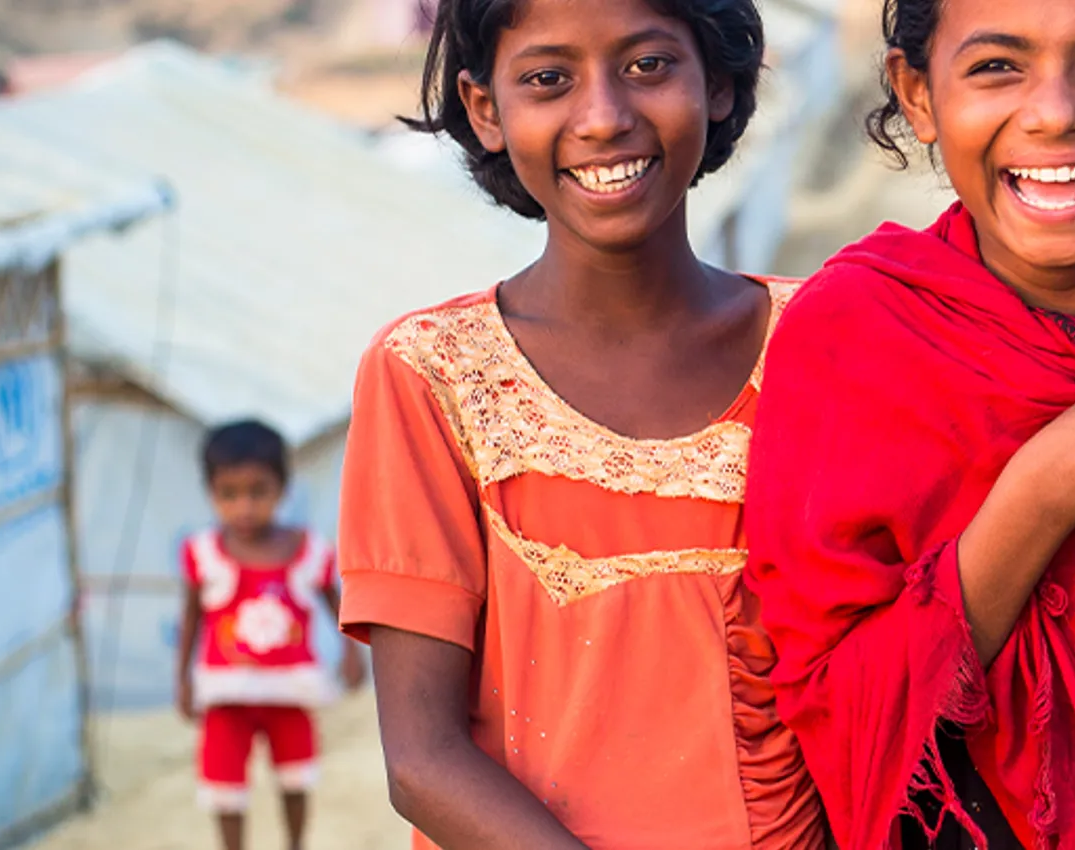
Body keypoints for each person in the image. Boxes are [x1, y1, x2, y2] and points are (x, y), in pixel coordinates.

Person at [740, 0, 1075, 846]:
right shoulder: (856, 334)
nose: (1055, 111)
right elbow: (838, 706)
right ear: (917, 94)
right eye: (995, 68)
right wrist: (1055, 484)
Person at [334, 0, 827, 846]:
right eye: (548, 80)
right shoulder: (434, 376)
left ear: (715, 81)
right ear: (486, 109)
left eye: (647, 66)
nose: (603, 117)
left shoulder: (826, 345)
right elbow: (422, 758)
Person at [177, 419, 366, 850]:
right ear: (211, 492)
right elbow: (190, 618)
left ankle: (296, 844)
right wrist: (183, 678)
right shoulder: (202, 554)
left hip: (291, 694)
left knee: (296, 777)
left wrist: (353, 653)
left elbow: (341, 607)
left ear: (282, 488)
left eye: (257, 492)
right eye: (229, 494)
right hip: (226, 698)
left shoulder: (308, 551)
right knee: (224, 787)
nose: (244, 506)